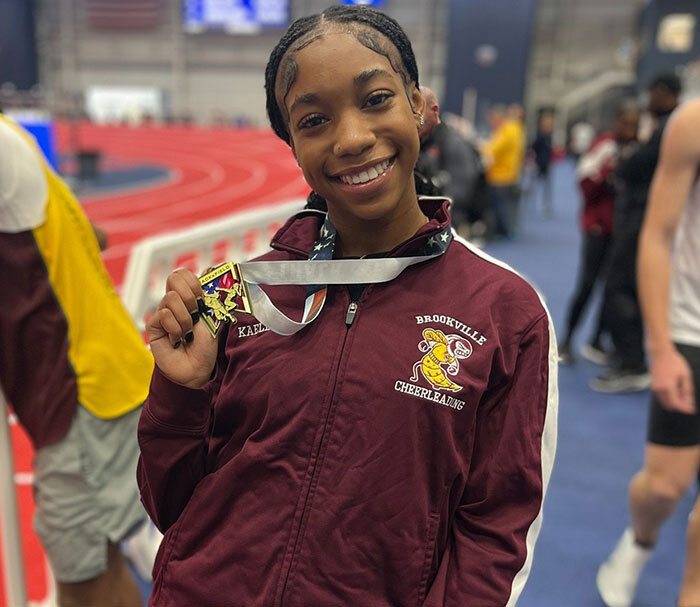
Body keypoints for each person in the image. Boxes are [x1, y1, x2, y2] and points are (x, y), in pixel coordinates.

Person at [137, 5, 558, 606]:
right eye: (314, 120)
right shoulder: (237, 292)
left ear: (420, 105)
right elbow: (171, 506)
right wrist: (180, 392)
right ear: (293, 145)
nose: (353, 138)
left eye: (377, 99)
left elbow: (495, 532)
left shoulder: (505, 312)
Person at [0, 115, 155, 607]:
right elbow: (96, 235)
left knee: (87, 579)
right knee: (94, 566)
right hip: (100, 378)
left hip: (84, 391)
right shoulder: (10, 137)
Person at [596, 96, 700, 607]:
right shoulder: (694, 121)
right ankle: (638, 543)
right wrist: (661, 348)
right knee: (664, 488)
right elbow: (657, 236)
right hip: (691, 330)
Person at [591, 73, 681, 393]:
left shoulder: (673, 127)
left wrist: (626, 162)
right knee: (623, 287)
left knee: (622, 287)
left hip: (643, 222)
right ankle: (627, 355)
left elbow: (636, 166)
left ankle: (633, 362)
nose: (649, 100)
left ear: (665, 93)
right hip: (640, 219)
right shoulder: (663, 126)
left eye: (653, 93)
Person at [559, 104, 640, 365]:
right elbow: (584, 181)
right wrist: (609, 173)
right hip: (597, 229)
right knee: (588, 284)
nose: (630, 129)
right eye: (626, 123)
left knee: (614, 289)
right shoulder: (605, 146)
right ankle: (567, 341)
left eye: (635, 124)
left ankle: (597, 339)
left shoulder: (640, 149)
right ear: (617, 122)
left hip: (623, 231)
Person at [416, 86, 486, 236]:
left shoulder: (452, 143)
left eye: (419, 114)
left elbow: (462, 185)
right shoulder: (430, 141)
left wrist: (440, 207)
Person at [482, 104, 526, 238]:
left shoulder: (509, 129)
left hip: (502, 175)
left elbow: (493, 148)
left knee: (500, 207)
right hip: (507, 173)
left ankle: (503, 231)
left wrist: (480, 146)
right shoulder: (516, 129)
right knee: (504, 206)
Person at [529, 110, 555, 217]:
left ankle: (545, 207)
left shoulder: (550, 136)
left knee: (546, 188)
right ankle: (533, 206)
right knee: (535, 187)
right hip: (538, 165)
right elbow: (532, 149)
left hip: (547, 166)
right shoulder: (539, 136)